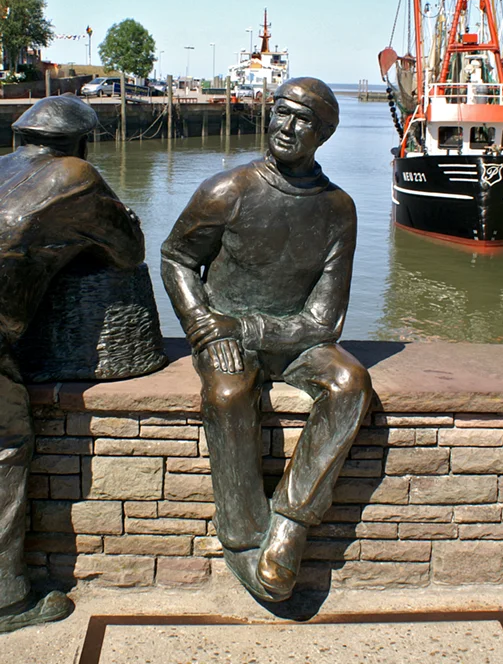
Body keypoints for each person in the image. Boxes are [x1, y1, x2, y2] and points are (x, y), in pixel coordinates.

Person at [161, 77, 371, 602]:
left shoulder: (337, 208)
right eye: (282, 112)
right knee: (229, 395)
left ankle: (288, 527)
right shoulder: (227, 189)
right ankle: (241, 534)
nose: (287, 126)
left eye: (304, 120)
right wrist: (203, 325)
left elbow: (325, 318)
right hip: (226, 331)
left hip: (293, 336)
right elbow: (177, 258)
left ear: (323, 134)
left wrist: (253, 328)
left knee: (351, 382)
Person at [0, 95, 144, 634]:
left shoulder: (0, 167)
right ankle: (8, 601)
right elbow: (128, 250)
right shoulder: (75, 177)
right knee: (6, 447)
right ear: (79, 142)